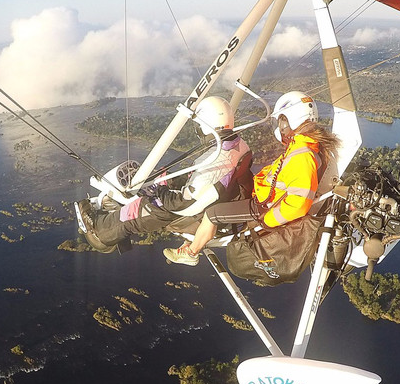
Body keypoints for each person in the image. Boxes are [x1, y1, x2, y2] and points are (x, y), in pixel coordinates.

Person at [162, 91, 341, 266]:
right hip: (264, 200)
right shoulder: (305, 145)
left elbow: (299, 204)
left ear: (287, 120)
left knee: (212, 214)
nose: (279, 127)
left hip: (262, 208)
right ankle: (195, 239)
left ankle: (191, 253)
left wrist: (267, 220)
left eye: (280, 121)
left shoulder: (303, 154)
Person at [75, 96, 252, 252]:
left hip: (195, 214)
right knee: (161, 187)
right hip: (219, 203)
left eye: (199, 126)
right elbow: (207, 183)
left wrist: (159, 192)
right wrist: (171, 182)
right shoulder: (238, 145)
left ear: (207, 126)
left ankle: (99, 230)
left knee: (139, 210)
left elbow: (186, 205)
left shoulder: (216, 160)